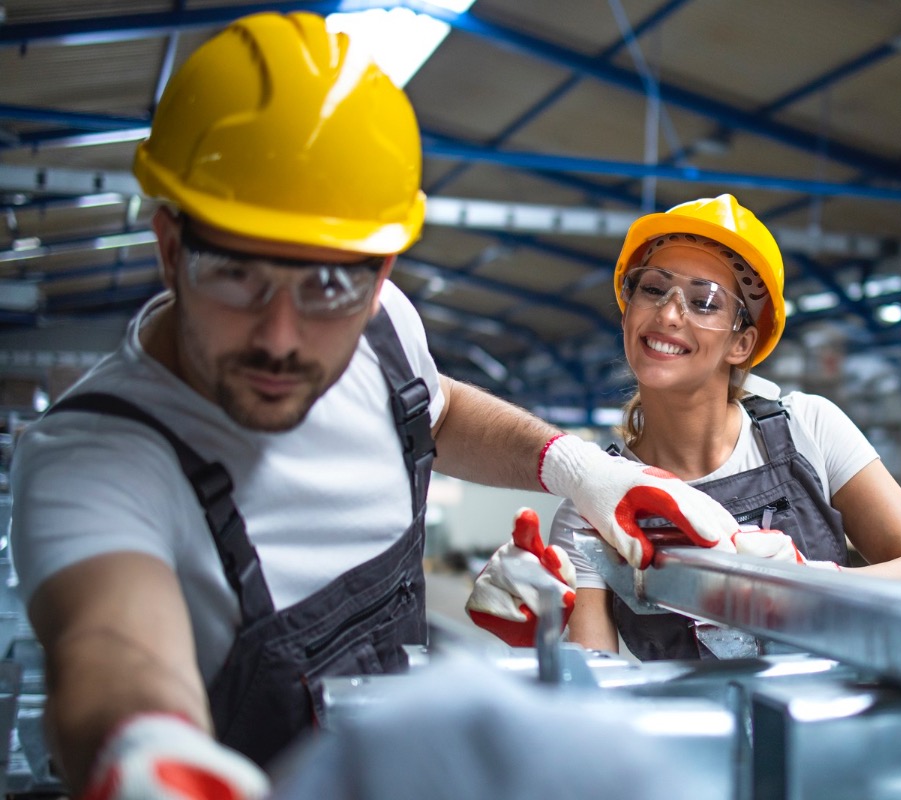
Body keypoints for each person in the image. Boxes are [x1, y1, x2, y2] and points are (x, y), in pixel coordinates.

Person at [8, 14, 742, 800]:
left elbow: (439, 410)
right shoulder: (94, 457)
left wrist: (579, 470)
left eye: (329, 286)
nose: (281, 337)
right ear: (168, 249)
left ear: (380, 270)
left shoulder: (383, 323)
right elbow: (113, 643)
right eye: (236, 274)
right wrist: (145, 748)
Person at [537, 194, 901, 660]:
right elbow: (596, 693)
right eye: (654, 289)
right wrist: (541, 632)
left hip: (828, 725)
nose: (669, 314)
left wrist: (808, 582)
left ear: (741, 343)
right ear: (627, 309)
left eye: (704, 302)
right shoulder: (597, 501)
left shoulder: (809, 430)